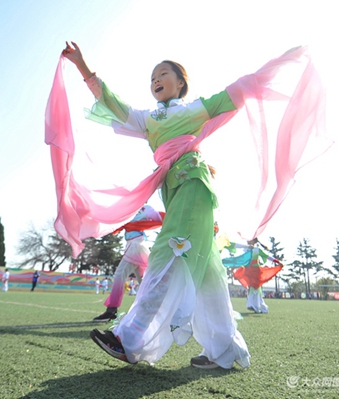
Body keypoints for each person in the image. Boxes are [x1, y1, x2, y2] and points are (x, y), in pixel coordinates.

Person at [61, 41, 257, 369]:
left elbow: (229, 96)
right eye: (152, 77)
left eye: (163, 73)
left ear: (180, 82)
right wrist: (82, 66)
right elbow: (112, 103)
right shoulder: (148, 119)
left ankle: (131, 338)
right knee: (207, 271)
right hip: (174, 189)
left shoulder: (192, 109)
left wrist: (263, 76)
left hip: (194, 184)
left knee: (167, 251)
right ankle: (225, 348)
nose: (155, 79)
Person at [93, 205, 163, 322]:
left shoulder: (145, 209)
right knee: (144, 280)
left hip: (136, 245)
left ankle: (111, 310)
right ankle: (155, 310)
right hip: (136, 245)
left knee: (120, 275)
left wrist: (139, 225)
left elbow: (162, 218)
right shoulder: (128, 208)